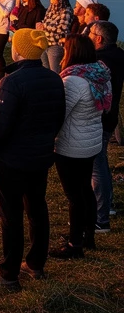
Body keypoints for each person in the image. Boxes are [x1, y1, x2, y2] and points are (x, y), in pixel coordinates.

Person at [0, 28, 66, 289]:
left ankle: (8, 273)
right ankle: (36, 263)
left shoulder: (13, 82)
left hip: (13, 160)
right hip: (40, 156)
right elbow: (58, 117)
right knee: (37, 208)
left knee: (11, 214)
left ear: (19, 50)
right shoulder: (53, 78)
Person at [48, 36, 110, 259]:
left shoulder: (73, 80)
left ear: (72, 52)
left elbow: (60, 113)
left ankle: (75, 245)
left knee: (75, 195)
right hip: (91, 140)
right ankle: (88, 236)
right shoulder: (100, 74)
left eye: (65, 49)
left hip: (72, 145)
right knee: (85, 190)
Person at [91, 21, 123, 233]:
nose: (89, 36)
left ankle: (101, 215)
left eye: (92, 33)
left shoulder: (100, 61)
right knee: (100, 161)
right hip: (110, 117)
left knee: (97, 164)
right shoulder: (119, 55)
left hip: (99, 119)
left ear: (99, 39)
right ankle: (105, 206)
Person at [39, 0, 75, 73]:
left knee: (55, 71)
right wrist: (46, 26)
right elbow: (45, 22)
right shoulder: (50, 9)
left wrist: (46, 26)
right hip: (45, 43)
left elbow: (62, 29)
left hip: (56, 45)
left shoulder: (66, 11)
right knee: (44, 69)